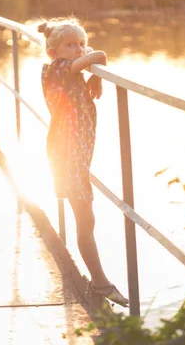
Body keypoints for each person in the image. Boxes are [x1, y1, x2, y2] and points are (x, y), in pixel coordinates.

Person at [38, 17, 129, 307]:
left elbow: (92, 57)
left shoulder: (70, 69)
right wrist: (96, 68)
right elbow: (99, 55)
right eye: (70, 45)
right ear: (53, 51)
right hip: (67, 155)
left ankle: (99, 281)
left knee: (86, 218)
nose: (79, 49)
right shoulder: (57, 69)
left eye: (81, 43)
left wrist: (96, 75)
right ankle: (100, 283)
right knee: (85, 219)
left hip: (76, 155)